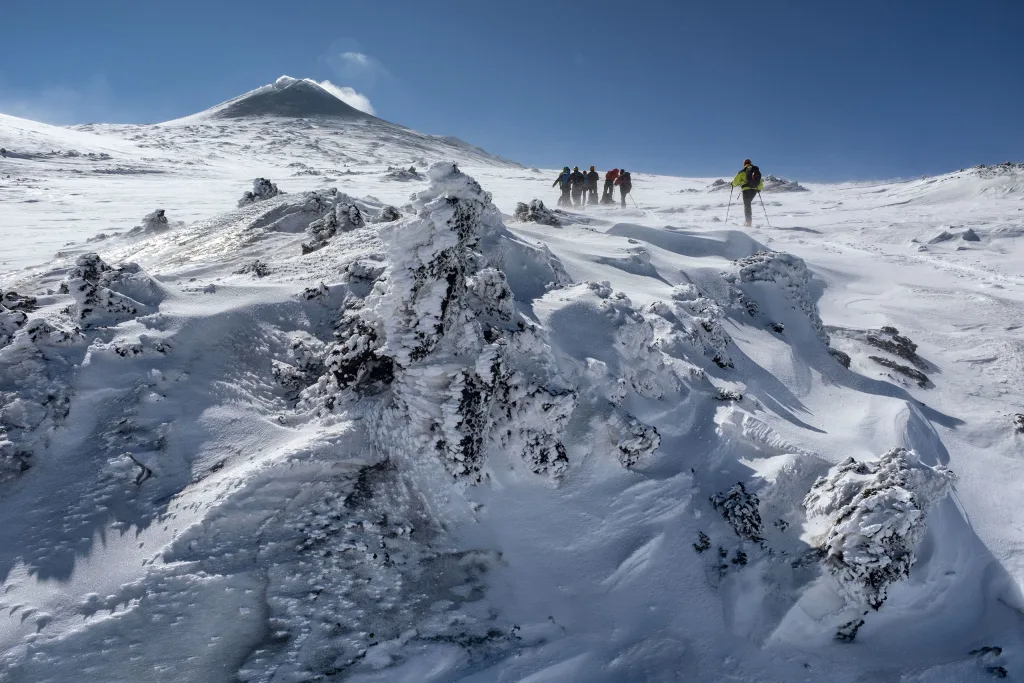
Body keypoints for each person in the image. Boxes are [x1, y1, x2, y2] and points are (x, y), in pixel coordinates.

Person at [730, 158, 764, 227]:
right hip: (754, 190)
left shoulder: (742, 171)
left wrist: (732, 184)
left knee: (747, 205)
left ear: (744, 164)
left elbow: (736, 181)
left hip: (746, 190)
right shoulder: (755, 171)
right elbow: (760, 182)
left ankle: (748, 222)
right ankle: (748, 221)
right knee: (748, 204)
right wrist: (759, 189)